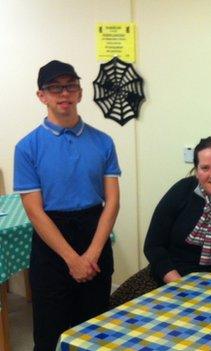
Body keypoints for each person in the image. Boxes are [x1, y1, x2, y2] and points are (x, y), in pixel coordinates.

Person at [14, 60, 121, 350]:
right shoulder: (27, 148)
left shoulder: (103, 142)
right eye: (55, 87)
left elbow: (111, 201)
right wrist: (73, 260)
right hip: (51, 243)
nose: (64, 94)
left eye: (70, 86)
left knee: (95, 330)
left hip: (94, 234)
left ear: (80, 92)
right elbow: (34, 211)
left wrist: (92, 254)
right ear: (42, 96)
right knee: (51, 333)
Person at [143, 136, 211, 284]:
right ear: (196, 171)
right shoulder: (181, 191)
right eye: (205, 168)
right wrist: (178, 283)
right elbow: (153, 245)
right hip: (172, 279)